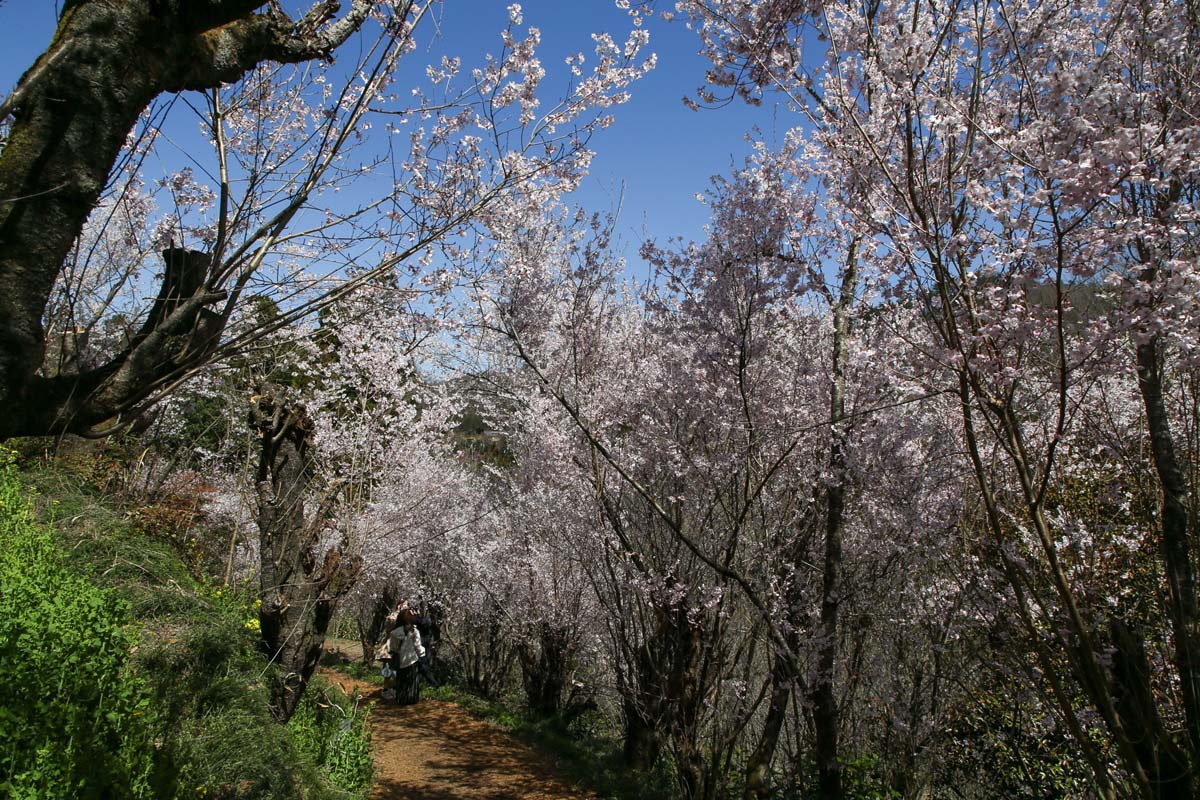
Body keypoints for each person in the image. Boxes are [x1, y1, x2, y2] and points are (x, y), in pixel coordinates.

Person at [388, 607, 424, 705]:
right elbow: (418, 646)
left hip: (401, 660)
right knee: (411, 680)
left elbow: (393, 647)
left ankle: (401, 699)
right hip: (412, 660)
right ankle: (411, 699)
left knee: (401, 680)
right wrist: (422, 653)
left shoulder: (395, 632)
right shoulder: (414, 631)